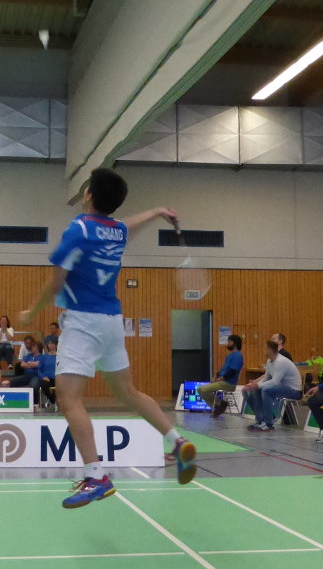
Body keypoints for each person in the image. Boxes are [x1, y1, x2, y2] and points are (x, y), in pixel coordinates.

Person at [20, 167, 196, 509]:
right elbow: (128, 225)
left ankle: (96, 475)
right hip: (113, 322)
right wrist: (156, 211)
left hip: (83, 322)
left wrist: (31, 311)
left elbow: (55, 283)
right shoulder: (116, 231)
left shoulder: (78, 231)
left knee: (69, 399)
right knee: (128, 392)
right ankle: (176, 440)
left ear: (88, 195)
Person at [243, 340, 302, 432]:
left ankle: (268, 424)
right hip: (282, 387)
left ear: (270, 350)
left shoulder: (281, 361)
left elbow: (275, 381)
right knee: (254, 390)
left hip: (294, 390)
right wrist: (253, 385)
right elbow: (266, 378)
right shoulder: (269, 362)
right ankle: (261, 420)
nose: (263, 350)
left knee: (265, 390)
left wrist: (257, 385)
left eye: (265, 348)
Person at [198, 335, 244, 417]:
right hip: (223, 381)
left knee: (202, 390)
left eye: (230, 341)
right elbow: (224, 369)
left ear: (235, 343)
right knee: (200, 389)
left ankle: (220, 405)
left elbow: (232, 372)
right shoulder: (229, 356)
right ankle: (219, 405)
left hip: (229, 383)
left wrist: (221, 378)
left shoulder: (237, 356)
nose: (228, 343)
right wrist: (216, 375)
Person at [38, 340, 58, 407]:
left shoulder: (60, 357)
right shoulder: (44, 357)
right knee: (44, 384)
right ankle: (53, 400)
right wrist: (43, 377)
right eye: (49, 344)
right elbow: (39, 370)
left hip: (57, 378)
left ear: (56, 345)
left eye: (52, 343)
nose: (50, 345)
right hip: (47, 379)